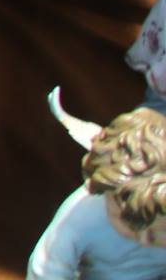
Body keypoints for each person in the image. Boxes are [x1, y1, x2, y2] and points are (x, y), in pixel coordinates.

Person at [28, 108, 166, 279]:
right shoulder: (83, 213)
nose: (142, 241)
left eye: (155, 234)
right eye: (126, 221)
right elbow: (48, 269)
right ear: (106, 193)